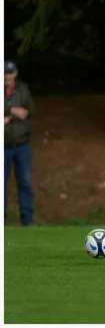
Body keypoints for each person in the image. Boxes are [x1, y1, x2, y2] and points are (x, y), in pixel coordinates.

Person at [4, 60, 35, 226]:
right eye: (4, 73)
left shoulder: (22, 90)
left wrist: (12, 116)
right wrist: (12, 110)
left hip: (22, 144)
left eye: (9, 73)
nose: (7, 76)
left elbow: (30, 111)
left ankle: (27, 220)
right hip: (3, 146)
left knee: (25, 182)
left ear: (15, 73)